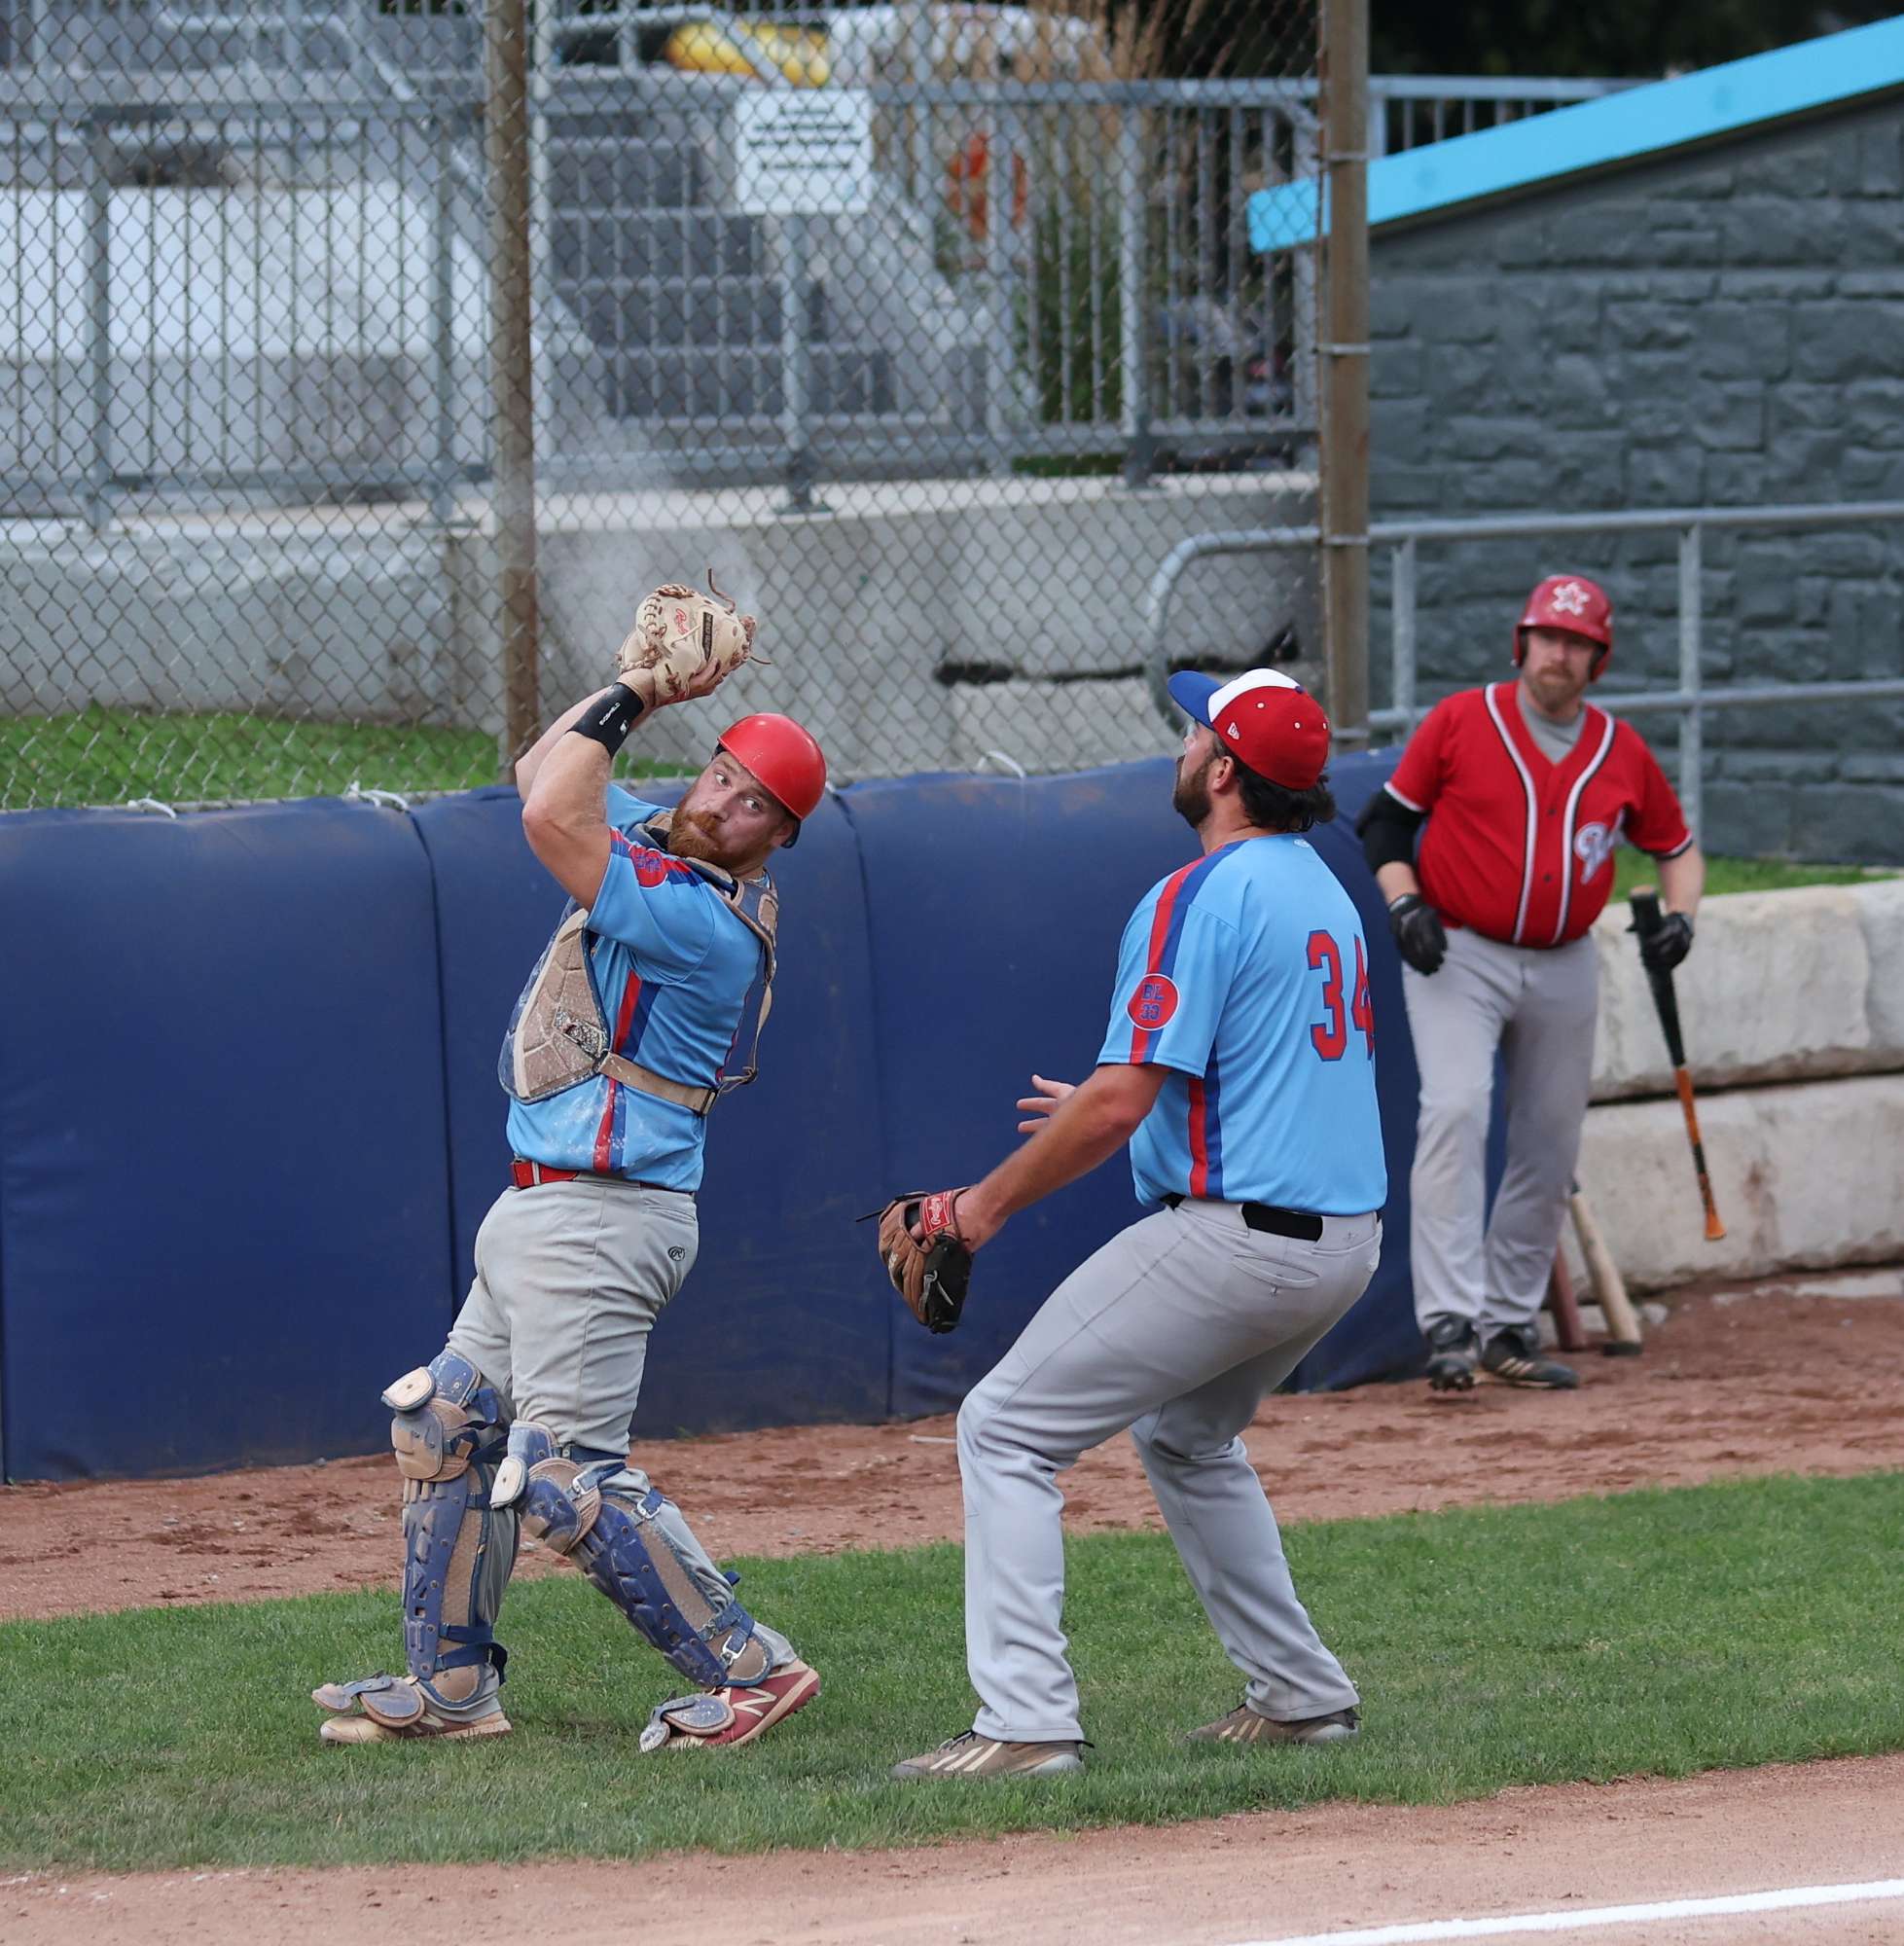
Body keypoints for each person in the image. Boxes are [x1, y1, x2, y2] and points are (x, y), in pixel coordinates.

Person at [312, 623, 830, 1752]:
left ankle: (750, 1668)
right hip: (544, 1208)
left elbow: (549, 816)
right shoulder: (659, 841)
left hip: (604, 1215)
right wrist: (635, 690)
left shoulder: (705, 917)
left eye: (755, 804)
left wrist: (637, 690)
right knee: (447, 1423)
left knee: (560, 1477)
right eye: (723, 774)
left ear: (778, 839)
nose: (724, 803)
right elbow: (536, 775)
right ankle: (453, 1689)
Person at [888, 668, 1386, 1782]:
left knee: (1004, 1427)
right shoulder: (1319, 884)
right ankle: (1301, 1696)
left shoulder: (1195, 893)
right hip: (1344, 1242)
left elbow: (1119, 1104)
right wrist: (1114, 1103)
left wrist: (974, 1209)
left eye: (1196, 731)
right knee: (1185, 1433)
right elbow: (1243, 1076)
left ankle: (1025, 1722)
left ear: (1224, 770)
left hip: (1237, 1242)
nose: (1182, 743)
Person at [1357, 574, 1704, 1395]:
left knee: (1550, 1139)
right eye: (1548, 636)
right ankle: (1448, 1322)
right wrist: (1403, 902)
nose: (1559, 653)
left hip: (1564, 959)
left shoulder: (1620, 750)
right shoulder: (1460, 719)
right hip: (1458, 952)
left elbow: (1676, 848)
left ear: (1597, 660)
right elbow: (1386, 824)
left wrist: (1682, 918)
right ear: (1521, 643)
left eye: (1577, 643)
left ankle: (1506, 1325)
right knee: (1455, 1110)